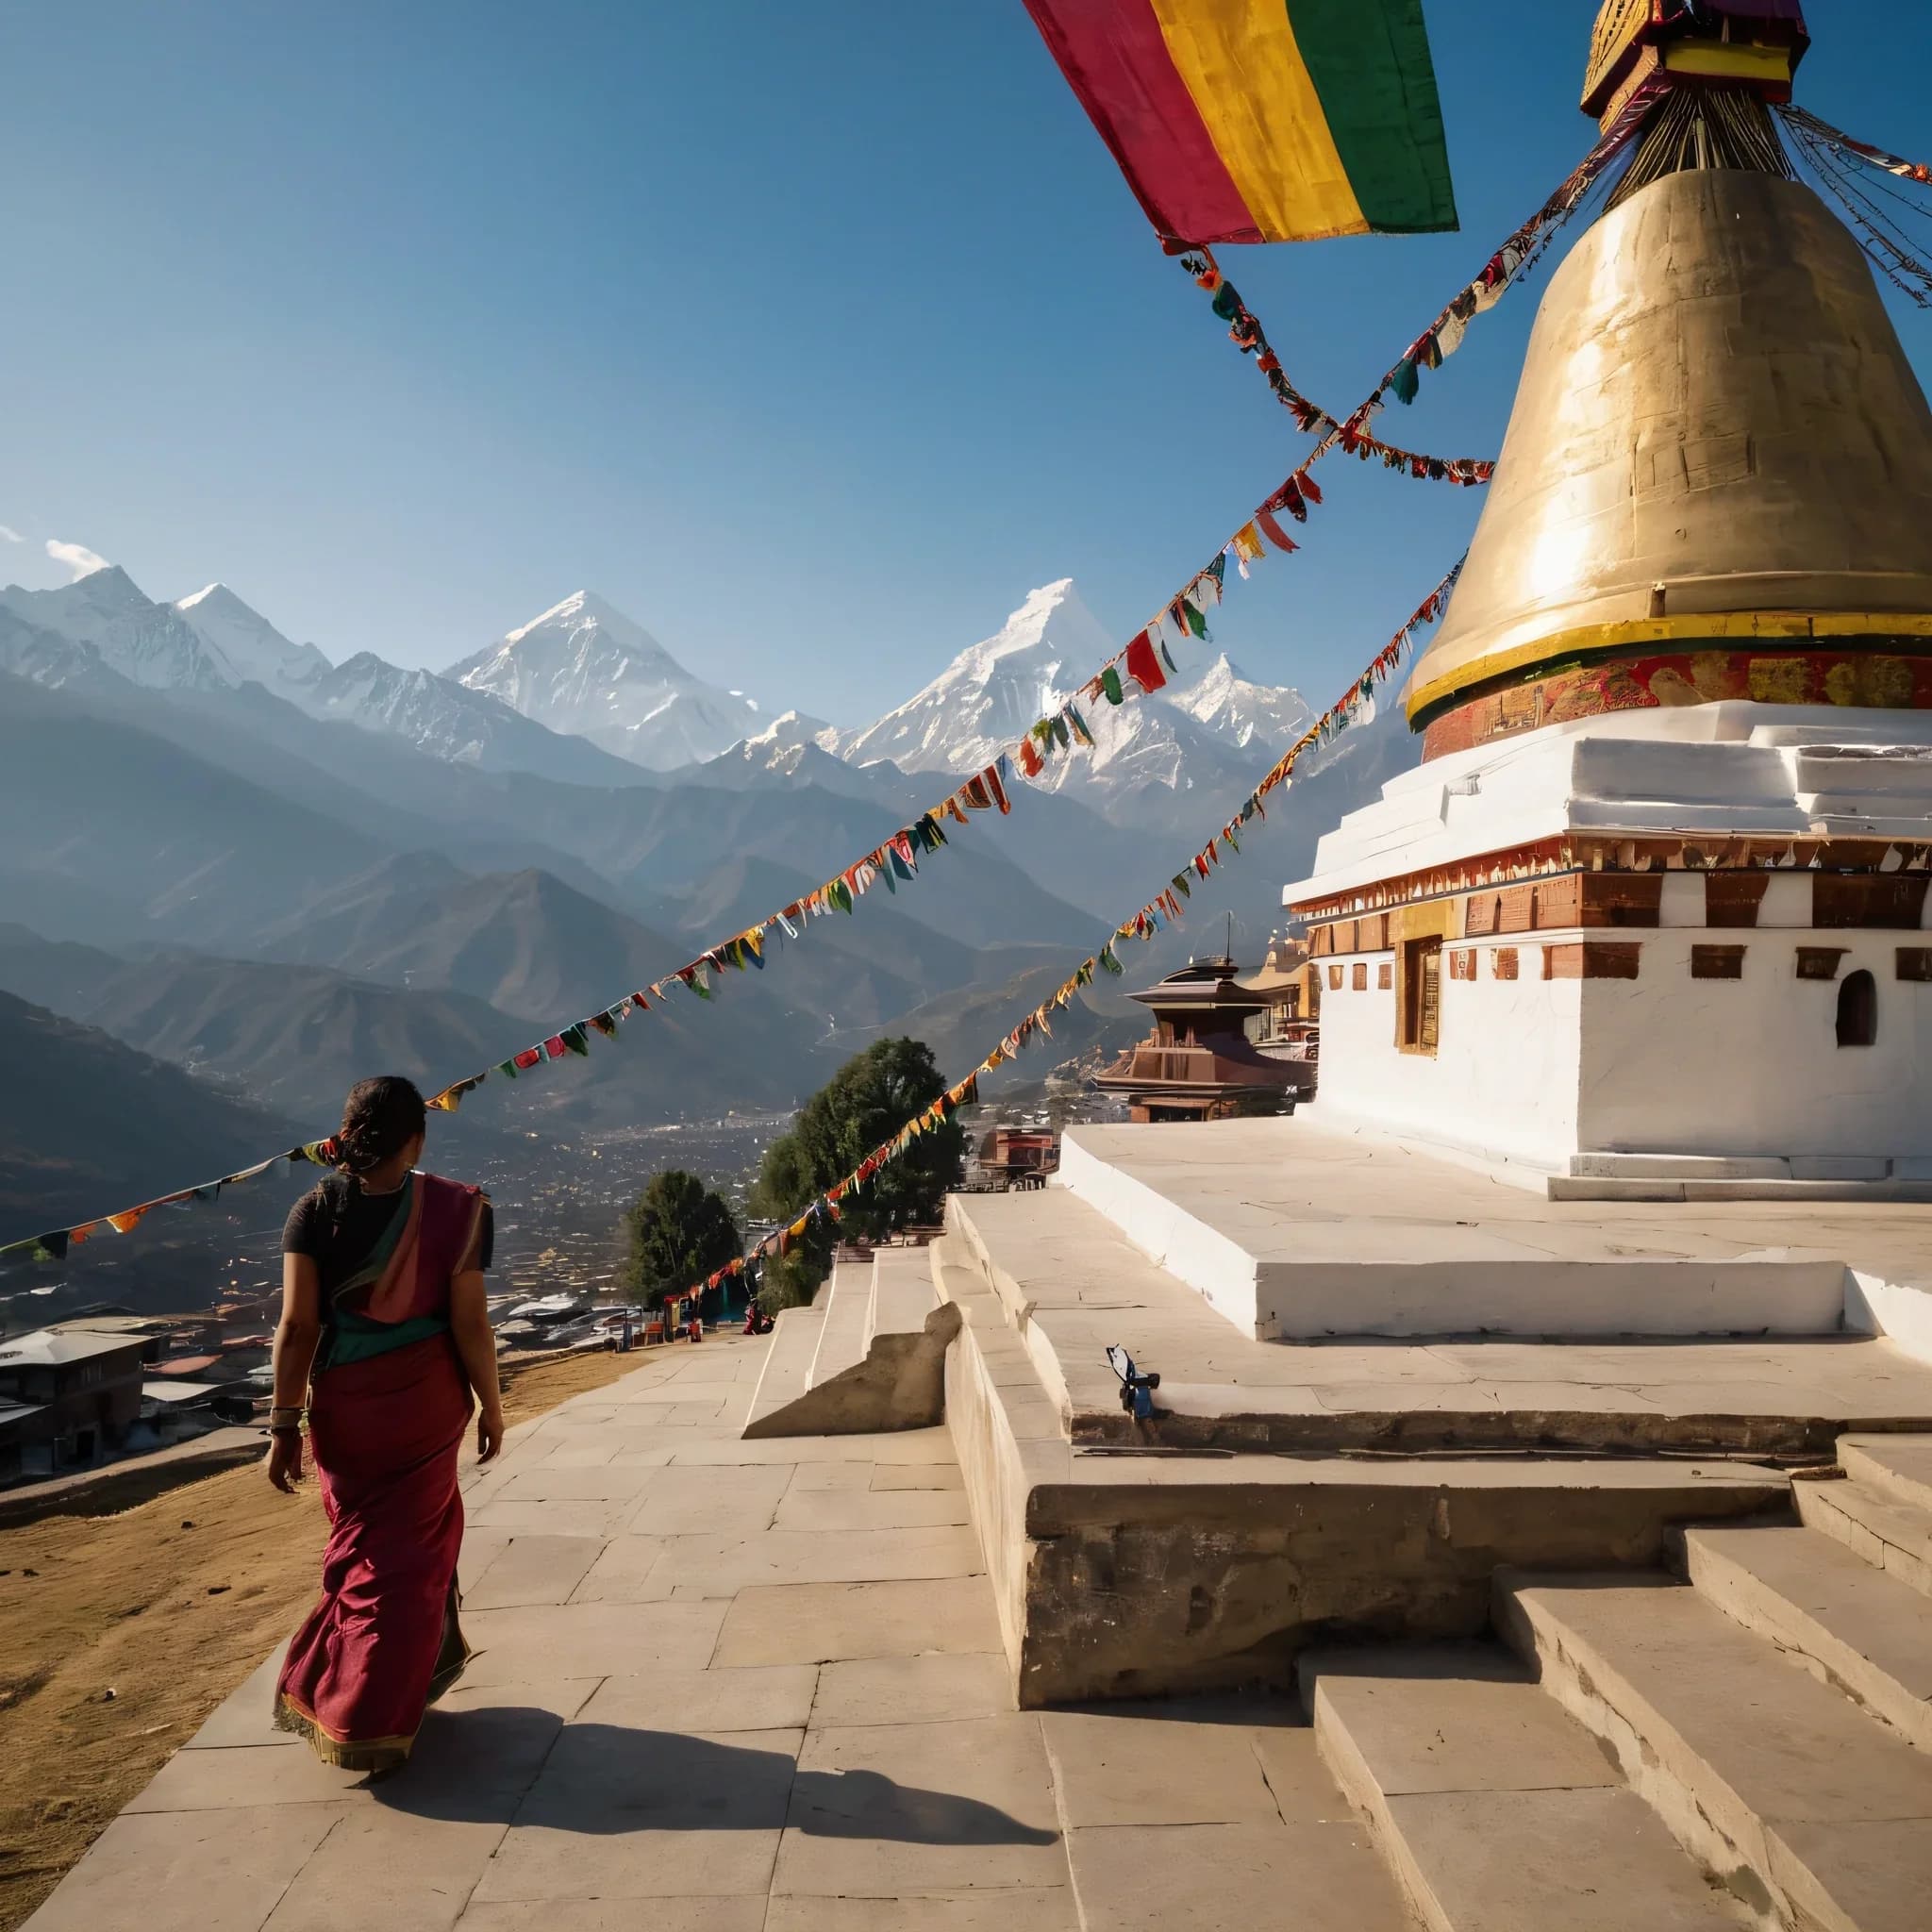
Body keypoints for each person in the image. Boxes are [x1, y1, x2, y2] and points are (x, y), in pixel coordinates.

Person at [266, 1074, 504, 1774]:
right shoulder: (459, 1209)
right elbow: (470, 1323)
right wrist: (491, 1404)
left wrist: (284, 1424)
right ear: (416, 1139)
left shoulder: (311, 1211)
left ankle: (385, 1691)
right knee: (411, 1558)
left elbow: (298, 1325)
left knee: (369, 1556)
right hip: (426, 1404)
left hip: (345, 1409)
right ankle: (369, 1715)